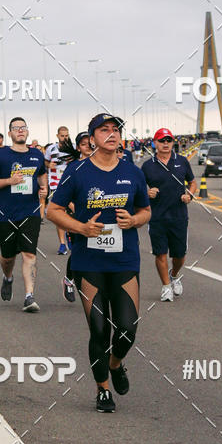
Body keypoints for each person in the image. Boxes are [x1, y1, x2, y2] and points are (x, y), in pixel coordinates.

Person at [47, 114, 151, 412]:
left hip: (124, 261)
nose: (111, 134)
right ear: (92, 138)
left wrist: (133, 220)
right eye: (104, 130)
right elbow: (52, 211)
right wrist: (80, 229)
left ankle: (116, 363)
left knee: (127, 330)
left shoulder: (133, 173)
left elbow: (146, 211)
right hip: (88, 261)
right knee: (98, 330)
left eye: (115, 129)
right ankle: (102, 389)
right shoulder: (77, 171)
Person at [0, 117, 47, 312]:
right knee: (8, 256)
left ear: (27, 132)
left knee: (29, 253)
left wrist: (45, 190)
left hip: (30, 212)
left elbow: (41, 175)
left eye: (23, 128)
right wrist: (9, 181)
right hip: (6, 214)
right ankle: (8, 277)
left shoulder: (37, 155)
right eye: (15, 128)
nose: (20, 131)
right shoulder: (1, 155)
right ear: (10, 133)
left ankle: (29, 296)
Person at [141, 127, 196, 302]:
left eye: (168, 140)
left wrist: (190, 195)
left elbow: (193, 182)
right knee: (161, 254)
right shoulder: (148, 165)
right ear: (155, 143)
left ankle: (174, 274)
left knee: (179, 255)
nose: (165, 144)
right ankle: (166, 286)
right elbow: (139, 188)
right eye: (161, 140)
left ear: (173, 143)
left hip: (178, 216)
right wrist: (147, 193)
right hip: (156, 216)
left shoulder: (181, 161)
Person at [61, 131, 94, 303]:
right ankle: (69, 280)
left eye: (90, 143)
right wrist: (75, 208)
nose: (87, 146)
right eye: (83, 144)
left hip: (98, 214)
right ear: (78, 147)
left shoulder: (102, 163)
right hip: (77, 216)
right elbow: (63, 196)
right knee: (80, 250)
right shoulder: (73, 168)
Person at [45, 126, 77, 254]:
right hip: (55, 183)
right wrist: (49, 165)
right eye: (62, 135)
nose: (65, 138)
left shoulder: (74, 147)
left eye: (67, 135)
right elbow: (45, 162)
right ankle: (62, 244)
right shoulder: (51, 148)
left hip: (71, 182)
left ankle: (73, 236)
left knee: (73, 212)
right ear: (57, 136)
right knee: (60, 213)